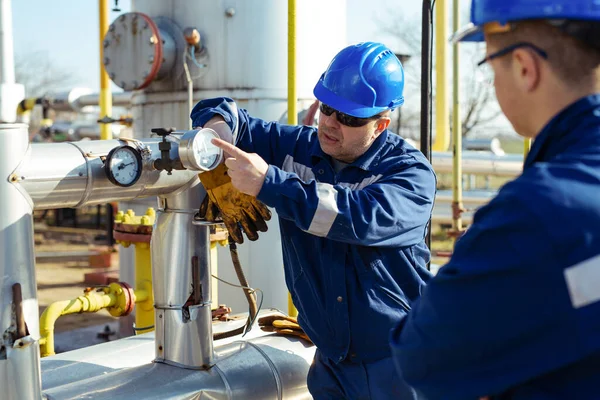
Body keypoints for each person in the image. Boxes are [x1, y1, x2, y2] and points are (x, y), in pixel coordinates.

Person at [191, 42, 436, 399]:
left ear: (381, 124)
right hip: (331, 363)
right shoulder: (299, 148)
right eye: (327, 108)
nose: (331, 124)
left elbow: (356, 218)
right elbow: (218, 111)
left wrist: (267, 183)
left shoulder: (409, 174)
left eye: (349, 118)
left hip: (400, 363)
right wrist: (216, 148)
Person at [390, 1, 600, 399]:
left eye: (489, 64)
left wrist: (479, 249)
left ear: (524, 66)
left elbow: (422, 353)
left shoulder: (537, 211)